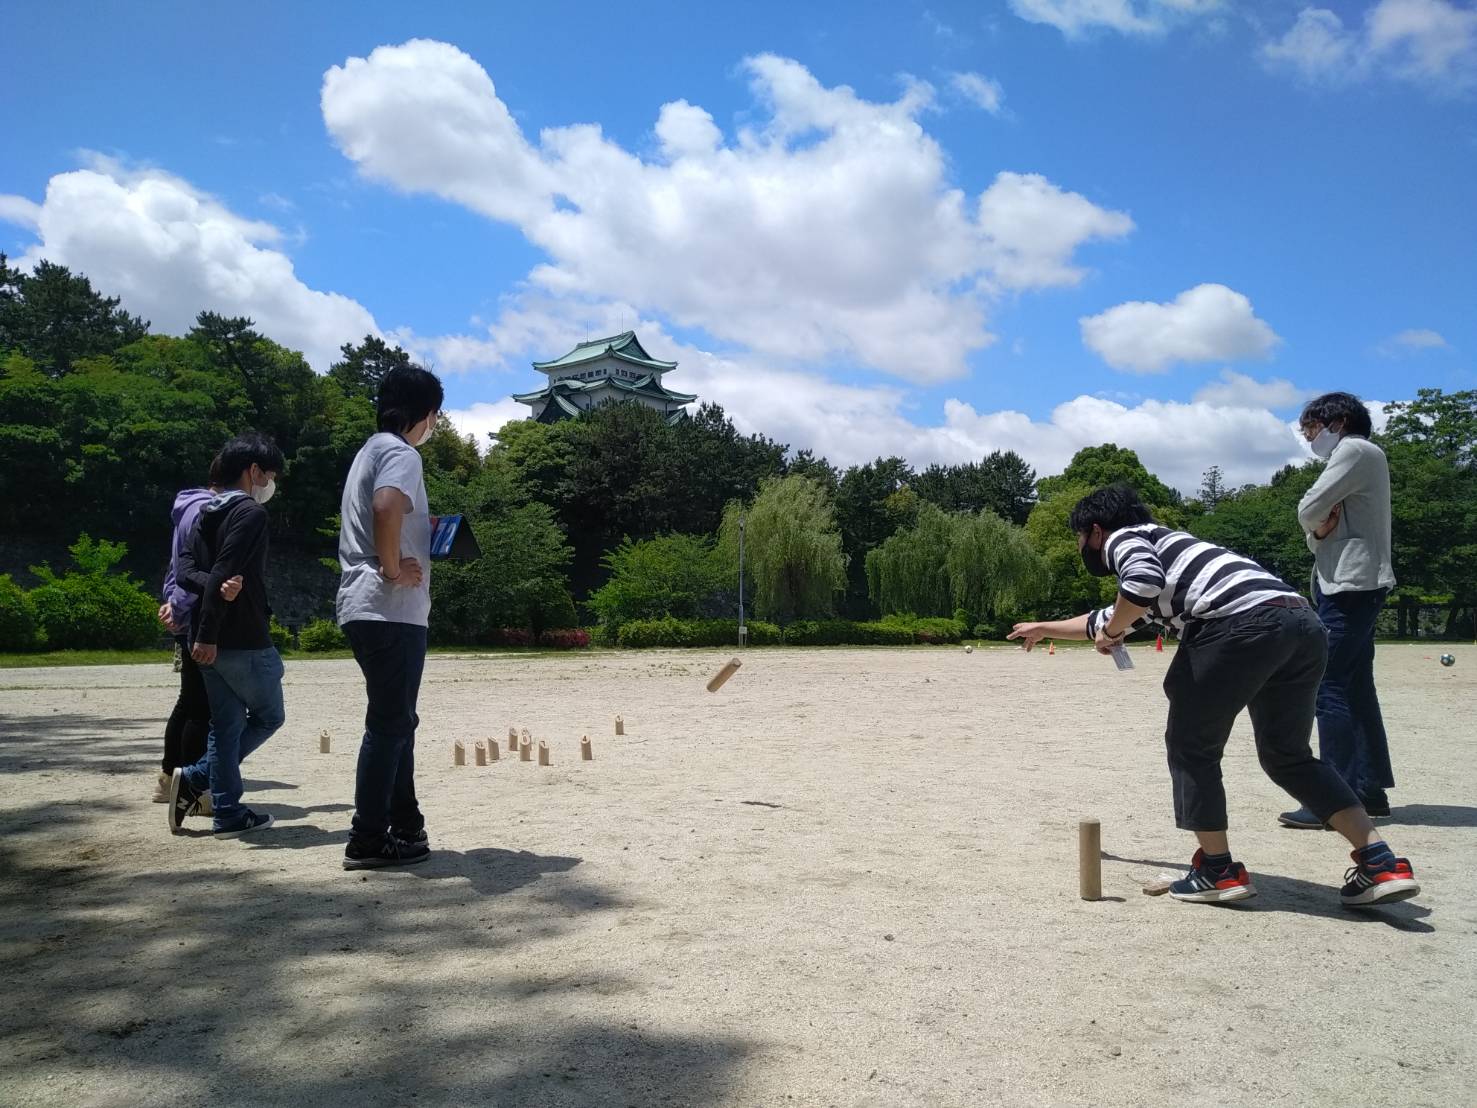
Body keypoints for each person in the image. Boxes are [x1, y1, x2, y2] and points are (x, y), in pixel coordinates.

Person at [1007, 485, 1419, 908]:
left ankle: (1217, 870)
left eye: (1080, 539)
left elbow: (1137, 589)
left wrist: (1112, 634)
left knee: (1191, 746)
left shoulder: (1127, 537)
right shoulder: (1181, 557)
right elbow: (1115, 613)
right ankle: (1380, 861)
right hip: (1300, 624)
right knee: (1288, 756)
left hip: (1237, 625)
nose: (1083, 547)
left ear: (1095, 530)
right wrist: (1045, 626)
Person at [335, 365, 444, 870]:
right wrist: (393, 567)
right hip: (389, 609)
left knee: (397, 721)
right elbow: (384, 509)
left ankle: (406, 826)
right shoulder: (402, 452)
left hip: (366, 607)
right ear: (422, 413)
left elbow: (387, 510)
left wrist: (422, 528)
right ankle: (368, 838)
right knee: (388, 723)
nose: (434, 426)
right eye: (435, 415)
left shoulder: (368, 452)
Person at [1278, 392, 1398, 829]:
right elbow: (1320, 528)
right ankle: (1367, 789)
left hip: (1350, 583)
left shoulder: (1354, 450)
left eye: (1310, 428)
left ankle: (1334, 799)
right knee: (1355, 686)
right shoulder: (1367, 455)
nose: (1308, 438)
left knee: (1327, 685)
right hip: (1358, 582)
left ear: (1337, 421)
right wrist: (1318, 534)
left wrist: (1316, 530)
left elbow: (1308, 509)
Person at [166, 431, 287, 838]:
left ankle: (229, 813)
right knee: (270, 716)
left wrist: (208, 606)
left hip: (206, 637)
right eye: (268, 474)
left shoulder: (204, 513)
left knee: (227, 725)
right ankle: (199, 776)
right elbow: (224, 569)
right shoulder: (250, 514)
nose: (269, 483)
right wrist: (210, 629)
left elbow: (184, 570)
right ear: (253, 472)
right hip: (239, 637)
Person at [151, 458, 222, 810]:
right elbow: (194, 567)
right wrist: (178, 604)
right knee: (200, 707)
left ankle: (168, 780)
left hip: (184, 612)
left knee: (189, 700)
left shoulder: (188, 507)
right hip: (196, 616)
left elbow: (176, 566)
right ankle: (191, 790)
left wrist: (172, 601)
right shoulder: (205, 511)